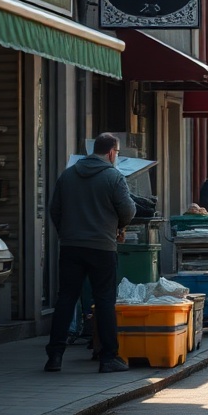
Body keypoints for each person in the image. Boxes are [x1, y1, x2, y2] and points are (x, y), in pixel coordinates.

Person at [46, 133, 136, 374]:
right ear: (111, 152)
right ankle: (109, 358)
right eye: (117, 153)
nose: (116, 157)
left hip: (71, 247)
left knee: (66, 298)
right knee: (104, 300)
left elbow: (55, 210)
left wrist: (67, 233)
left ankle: (54, 356)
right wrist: (119, 227)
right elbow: (128, 210)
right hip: (102, 247)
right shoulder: (113, 176)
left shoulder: (68, 174)